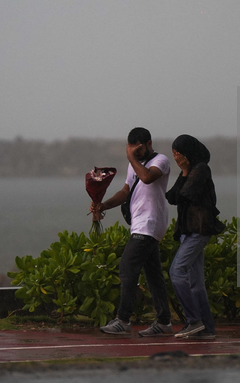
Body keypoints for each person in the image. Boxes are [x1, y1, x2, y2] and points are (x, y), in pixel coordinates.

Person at [91, 127, 173, 337]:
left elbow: (146, 178)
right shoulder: (133, 165)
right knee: (153, 275)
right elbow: (125, 192)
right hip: (139, 224)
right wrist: (103, 205)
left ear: (149, 143)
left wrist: (131, 158)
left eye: (138, 151)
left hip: (150, 223)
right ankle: (164, 322)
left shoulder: (160, 160)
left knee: (127, 268)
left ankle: (123, 320)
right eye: (132, 152)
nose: (135, 156)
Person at [166, 134, 226, 340]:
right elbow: (172, 197)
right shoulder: (188, 170)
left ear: (189, 153)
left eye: (179, 153)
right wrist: (183, 172)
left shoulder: (201, 169)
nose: (176, 157)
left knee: (176, 271)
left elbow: (186, 194)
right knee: (195, 282)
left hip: (199, 230)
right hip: (188, 231)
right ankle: (207, 328)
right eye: (174, 153)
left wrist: (183, 171)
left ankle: (193, 320)